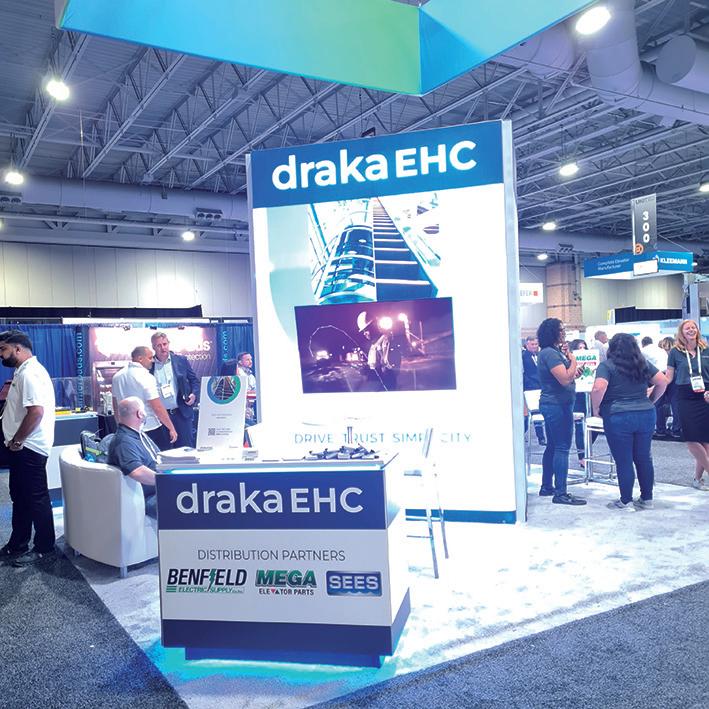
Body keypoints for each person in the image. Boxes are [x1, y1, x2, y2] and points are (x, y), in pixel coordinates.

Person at [591, 333, 668, 510]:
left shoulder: (607, 366)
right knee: (644, 457)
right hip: (645, 414)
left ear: (612, 348)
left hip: (618, 416)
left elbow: (598, 388)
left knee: (623, 459)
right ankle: (647, 499)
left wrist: (596, 408)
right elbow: (663, 381)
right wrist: (651, 401)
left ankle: (626, 501)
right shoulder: (642, 364)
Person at [0, 330, 57, 566]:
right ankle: (18, 543)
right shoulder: (22, 371)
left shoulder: (30, 373)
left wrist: (17, 441)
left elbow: (36, 412)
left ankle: (45, 547)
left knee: (36, 498)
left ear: (18, 349)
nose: (1, 354)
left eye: (3, 349)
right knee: (21, 497)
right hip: (22, 448)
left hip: (28, 448)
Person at [536, 318, 586, 506]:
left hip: (556, 404)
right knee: (562, 447)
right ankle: (561, 493)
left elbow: (565, 377)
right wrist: (573, 361)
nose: (564, 332)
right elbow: (564, 380)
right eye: (561, 329)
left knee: (553, 446)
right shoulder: (550, 354)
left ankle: (547, 486)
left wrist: (573, 372)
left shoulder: (550, 352)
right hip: (557, 405)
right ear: (552, 332)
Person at [665, 320, 709, 491]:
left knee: (705, 441)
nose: (691, 330)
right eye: (687, 328)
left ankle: (697, 479)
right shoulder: (675, 352)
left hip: (705, 397)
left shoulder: (706, 349)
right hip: (684, 397)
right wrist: (654, 386)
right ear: (681, 332)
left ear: (697, 330)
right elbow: (668, 377)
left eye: (693, 327)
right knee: (691, 438)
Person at [112, 346, 177, 450]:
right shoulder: (146, 377)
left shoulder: (117, 377)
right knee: (159, 457)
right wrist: (171, 428)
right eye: (150, 358)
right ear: (140, 358)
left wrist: (120, 426)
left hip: (127, 430)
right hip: (150, 429)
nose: (152, 361)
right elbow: (157, 407)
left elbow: (116, 406)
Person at [108, 397, 160, 519]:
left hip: (157, 492)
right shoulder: (123, 442)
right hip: (149, 497)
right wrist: (167, 481)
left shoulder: (137, 435)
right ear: (140, 413)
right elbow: (137, 472)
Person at [149, 331, 199, 449]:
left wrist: (194, 394)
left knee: (185, 450)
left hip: (181, 414)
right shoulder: (150, 365)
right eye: (159, 345)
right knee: (164, 451)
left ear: (168, 344)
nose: (163, 348)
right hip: (160, 417)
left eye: (165, 344)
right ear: (153, 347)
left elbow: (194, 381)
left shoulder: (181, 360)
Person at [521, 336, 546, 446]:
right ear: (527, 345)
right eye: (532, 344)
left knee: (541, 411)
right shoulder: (522, 356)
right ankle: (539, 437)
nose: (535, 346)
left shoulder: (540, 355)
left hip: (541, 387)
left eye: (536, 344)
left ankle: (541, 437)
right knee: (533, 413)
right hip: (530, 388)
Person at [220, 352, 257, 425]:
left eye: (251, 359)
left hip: (248, 409)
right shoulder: (233, 381)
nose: (250, 362)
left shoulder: (251, 376)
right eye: (247, 360)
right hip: (235, 414)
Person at [569, 339, 589, 467]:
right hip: (575, 395)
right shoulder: (569, 362)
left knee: (589, 427)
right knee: (579, 427)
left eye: (584, 347)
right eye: (579, 347)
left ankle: (586, 451)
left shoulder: (591, 361)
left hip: (587, 395)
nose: (582, 350)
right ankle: (582, 457)